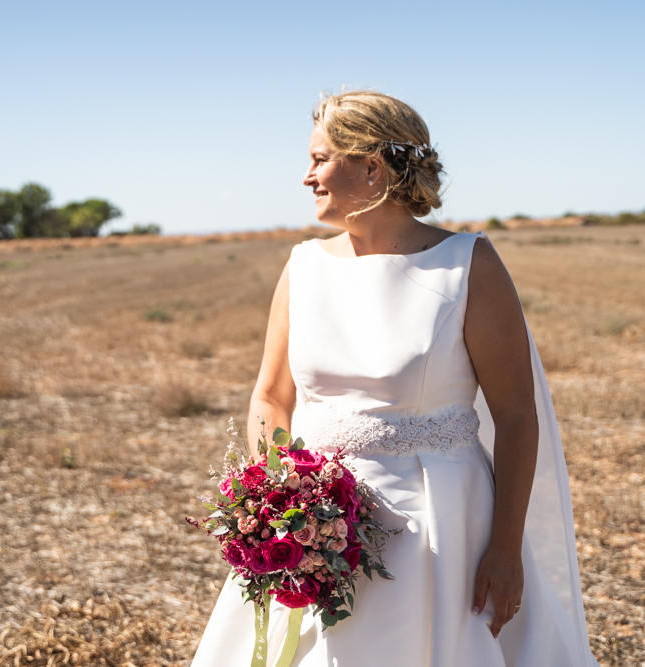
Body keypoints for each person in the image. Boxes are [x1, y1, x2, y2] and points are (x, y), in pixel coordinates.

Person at [191, 90, 599, 666]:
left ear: (371, 167)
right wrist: (282, 501)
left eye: (319, 159)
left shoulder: (467, 265)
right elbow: (271, 396)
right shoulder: (303, 267)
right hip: (316, 532)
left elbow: (514, 416)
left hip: (444, 526)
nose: (306, 176)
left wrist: (505, 548)